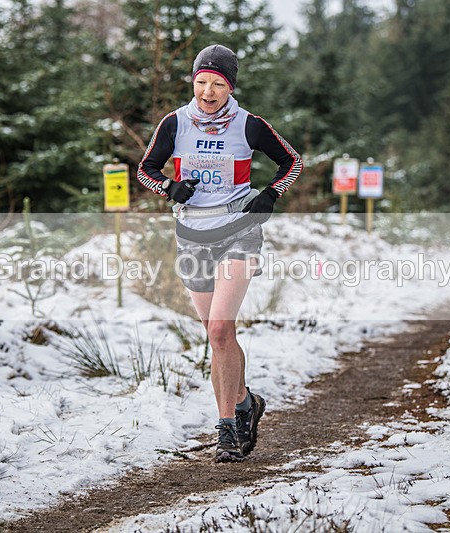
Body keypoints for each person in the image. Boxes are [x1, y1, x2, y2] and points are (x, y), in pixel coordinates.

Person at [137, 44, 303, 463]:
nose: (208, 92)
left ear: (230, 87)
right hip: (192, 235)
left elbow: (293, 162)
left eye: (218, 84)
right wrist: (168, 188)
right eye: (201, 82)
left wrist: (271, 194)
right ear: (193, 82)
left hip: (238, 232)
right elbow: (145, 169)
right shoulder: (175, 122)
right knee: (215, 336)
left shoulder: (249, 125)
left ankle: (227, 428)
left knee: (219, 331)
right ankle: (245, 401)